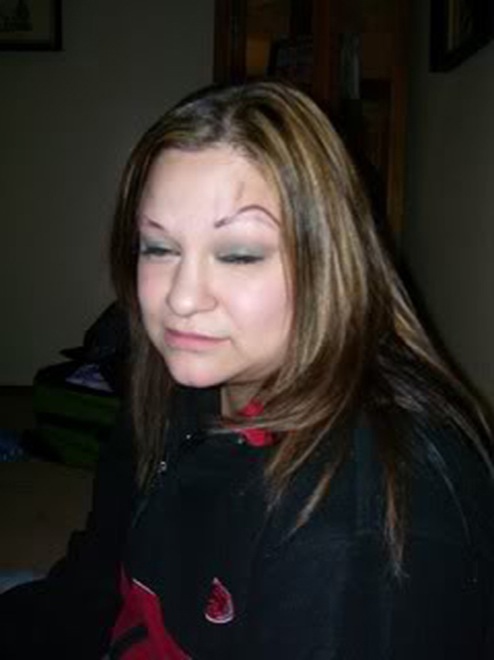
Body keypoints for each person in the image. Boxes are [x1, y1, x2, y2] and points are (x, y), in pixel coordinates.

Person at [1, 81, 493, 659]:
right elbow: (96, 575)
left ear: (330, 262)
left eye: (239, 254)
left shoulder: (359, 538)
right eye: (158, 248)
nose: (181, 299)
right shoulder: (181, 376)